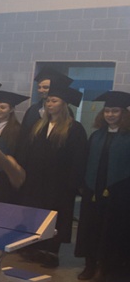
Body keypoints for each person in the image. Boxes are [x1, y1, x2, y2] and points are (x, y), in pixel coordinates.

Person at [18, 84, 88, 268]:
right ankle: (36, 248)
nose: (49, 104)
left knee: (56, 217)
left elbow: (78, 158)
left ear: (64, 105)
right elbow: (28, 152)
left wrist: (72, 183)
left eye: (54, 101)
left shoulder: (74, 129)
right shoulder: (39, 126)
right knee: (37, 214)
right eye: (48, 100)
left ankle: (51, 251)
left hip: (59, 184)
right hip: (36, 182)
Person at [75, 90, 130, 282]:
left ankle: (104, 267)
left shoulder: (127, 137)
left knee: (109, 231)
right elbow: (85, 161)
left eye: (115, 111)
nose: (110, 115)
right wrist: (83, 185)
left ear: (124, 113)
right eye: (107, 111)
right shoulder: (96, 136)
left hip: (118, 193)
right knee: (90, 228)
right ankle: (89, 265)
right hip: (93, 191)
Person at [22, 67, 73, 140]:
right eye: (39, 87)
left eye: (45, 87)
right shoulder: (32, 110)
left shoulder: (66, 111)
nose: (41, 90)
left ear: (54, 88)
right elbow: (23, 134)